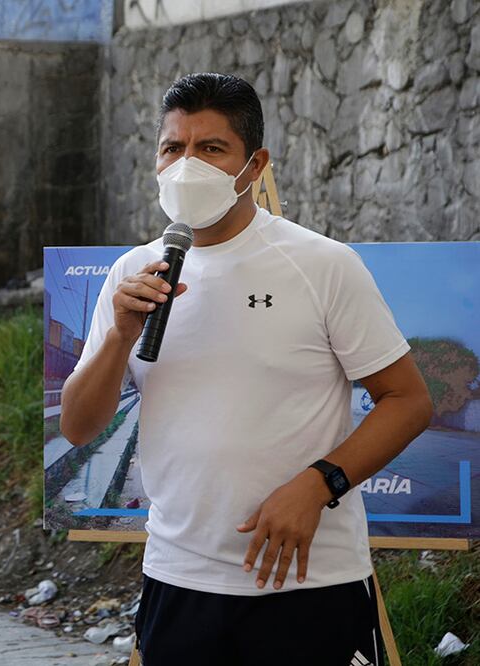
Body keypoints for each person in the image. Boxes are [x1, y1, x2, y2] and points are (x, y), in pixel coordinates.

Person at [60, 73, 433, 666]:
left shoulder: (323, 264)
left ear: (253, 165)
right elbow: (79, 428)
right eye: (172, 148)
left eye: (210, 149)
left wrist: (318, 485)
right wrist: (117, 339)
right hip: (176, 579)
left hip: (310, 584)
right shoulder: (132, 273)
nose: (187, 165)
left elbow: (409, 400)